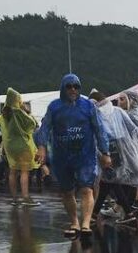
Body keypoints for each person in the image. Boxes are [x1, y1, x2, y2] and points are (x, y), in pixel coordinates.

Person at [36, 73, 112, 239]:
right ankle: (74, 223)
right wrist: (41, 147)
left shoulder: (88, 107)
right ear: (63, 88)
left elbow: (100, 129)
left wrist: (105, 152)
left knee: (86, 188)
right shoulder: (54, 107)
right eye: (69, 86)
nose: (72, 90)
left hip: (85, 155)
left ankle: (85, 224)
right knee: (67, 191)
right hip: (62, 156)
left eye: (76, 86)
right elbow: (44, 127)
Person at [88, 89, 138, 223]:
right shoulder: (118, 111)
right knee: (108, 182)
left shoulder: (97, 115)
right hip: (121, 150)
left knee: (111, 181)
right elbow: (134, 129)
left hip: (106, 150)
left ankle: (128, 213)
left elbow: (97, 135)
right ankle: (95, 214)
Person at [0, 87, 40, 207]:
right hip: (23, 146)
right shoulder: (19, 113)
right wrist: (25, 110)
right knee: (24, 172)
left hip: (10, 147)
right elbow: (33, 124)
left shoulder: (3, 115)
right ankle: (25, 198)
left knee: (12, 171)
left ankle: (15, 198)